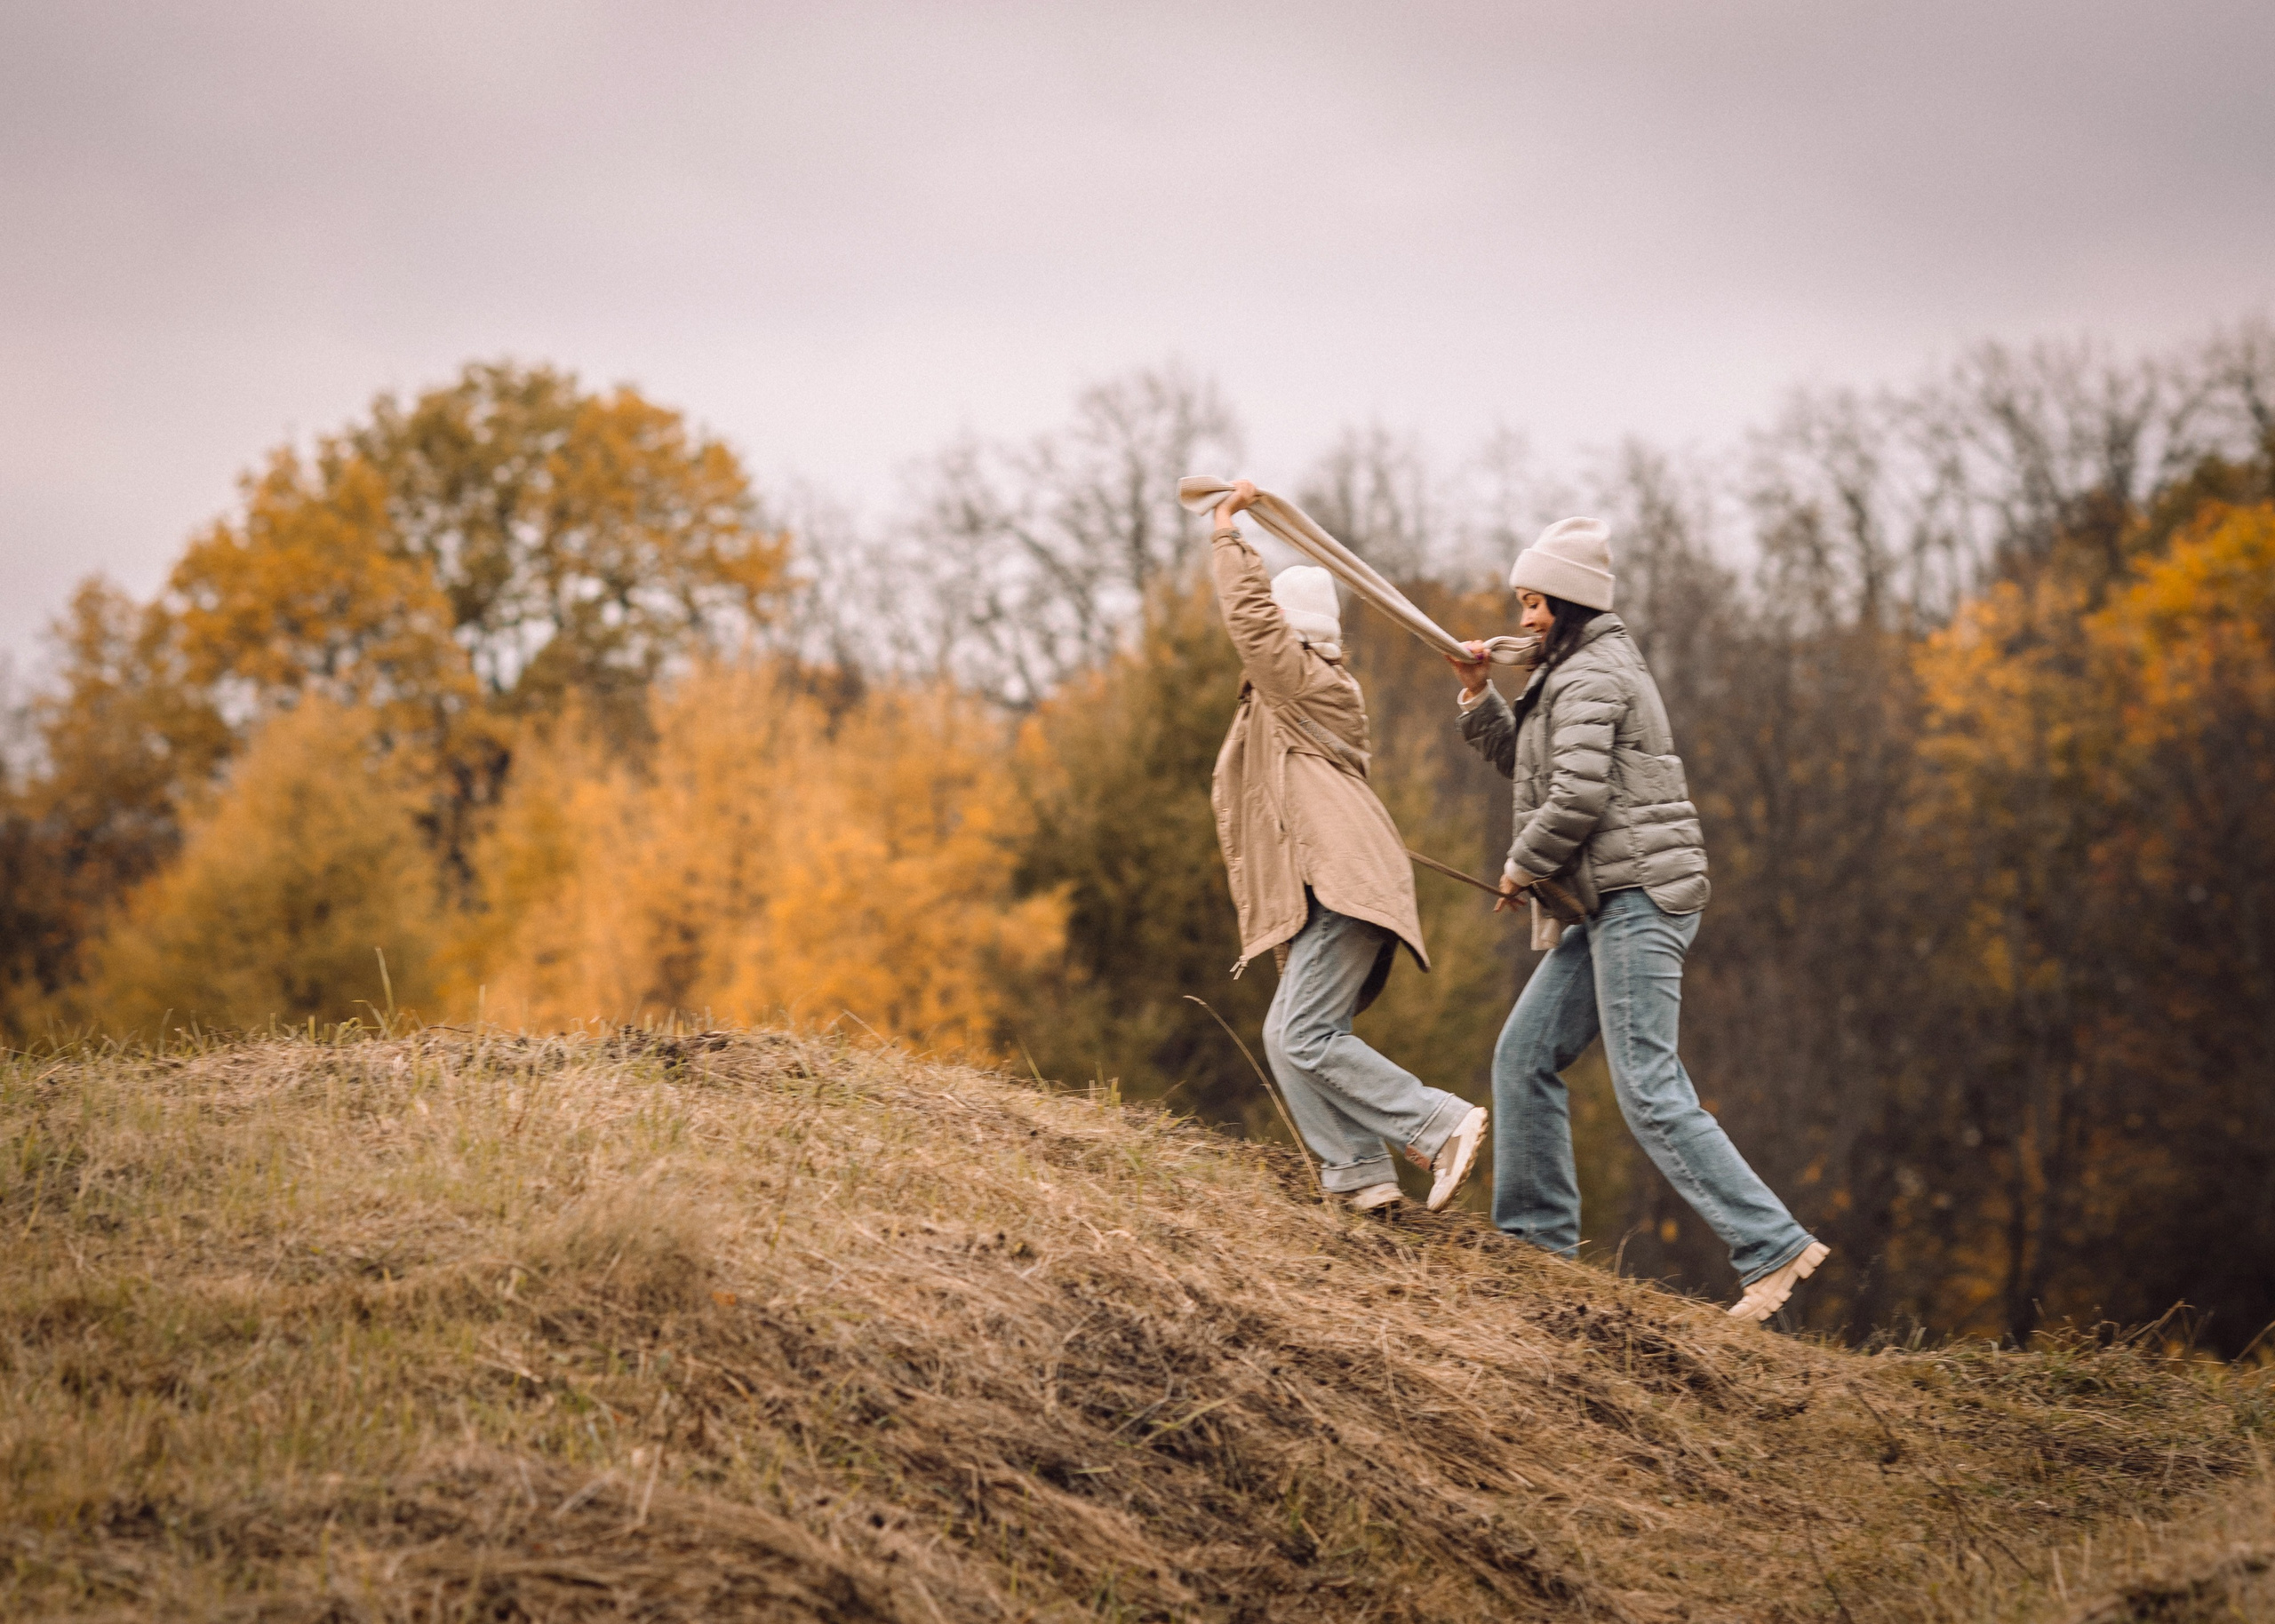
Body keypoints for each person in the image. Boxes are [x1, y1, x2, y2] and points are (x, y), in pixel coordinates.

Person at [1449, 517, 1828, 1322]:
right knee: (1523, 1057)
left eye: (1534, 603)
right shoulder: (1571, 672)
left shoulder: (1592, 675)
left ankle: (1772, 1245)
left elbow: (1577, 798)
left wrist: (1521, 865)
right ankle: (1536, 1248)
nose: (1523, 619)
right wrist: (1478, 695)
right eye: (1521, 603)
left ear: (1569, 602)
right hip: (1607, 903)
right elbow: (1535, 769)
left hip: (1641, 898)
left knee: (1649, 1088)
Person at [1208, 481, 1488, 1213]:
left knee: (1302, 1033)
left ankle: (1438, 1124)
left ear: (1290, 632)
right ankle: (1359, 1172)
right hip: (1333, 885)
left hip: (1346, 885)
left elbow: (1252, 623)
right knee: (1289, 1035)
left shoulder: (1300, 682)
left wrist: (1228, 532)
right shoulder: (1296, 696)